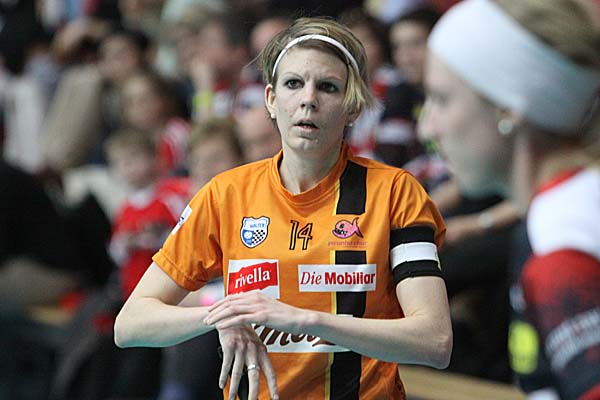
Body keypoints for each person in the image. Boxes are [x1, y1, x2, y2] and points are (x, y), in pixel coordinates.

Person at [115, 17, 452, 400]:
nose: (308, 99)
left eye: (327, 87)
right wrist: (223, 315)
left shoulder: (395, 193)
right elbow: (130, 323)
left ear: (353, 108)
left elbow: (434, 340)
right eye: (293, 84)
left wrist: (305, 320)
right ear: (271, 100)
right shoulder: (225, 194)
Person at [419, 0, 600, 398]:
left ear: (509, 108)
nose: (428, 128)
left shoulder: (561, 241)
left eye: (443, 100)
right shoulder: (567, 208)